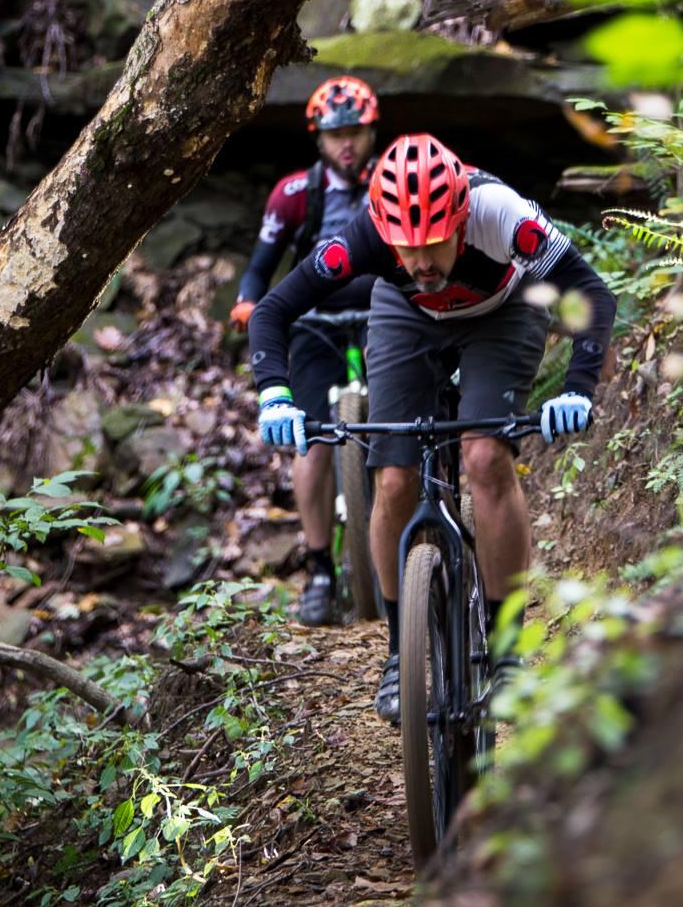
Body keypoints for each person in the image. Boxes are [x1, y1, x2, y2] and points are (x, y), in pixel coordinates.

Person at [249, 133, 616, 723]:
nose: (419, 261)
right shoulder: (367, 235)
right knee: (392, 480)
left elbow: (592, 292)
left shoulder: (503, 216)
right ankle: (400, 651)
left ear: (460, 219)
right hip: (407, 317)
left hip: (504, 311)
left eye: (433, 244)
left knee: (485, 458)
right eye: (405, 246)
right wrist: (275, 396)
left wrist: (577, 387)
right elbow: (273, 309)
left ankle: (505, 655)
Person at [230, 75, 381, 626]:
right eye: (336, 133)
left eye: (357, 132)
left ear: (371, 133)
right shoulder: (294, 194)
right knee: (309, 441)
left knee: (399, 420)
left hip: (380, 316)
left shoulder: (392, 182)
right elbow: (259, 266)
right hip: (313, 320)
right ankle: (319, 568)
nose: (347, 144)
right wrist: (248, 302)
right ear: (318, 138)